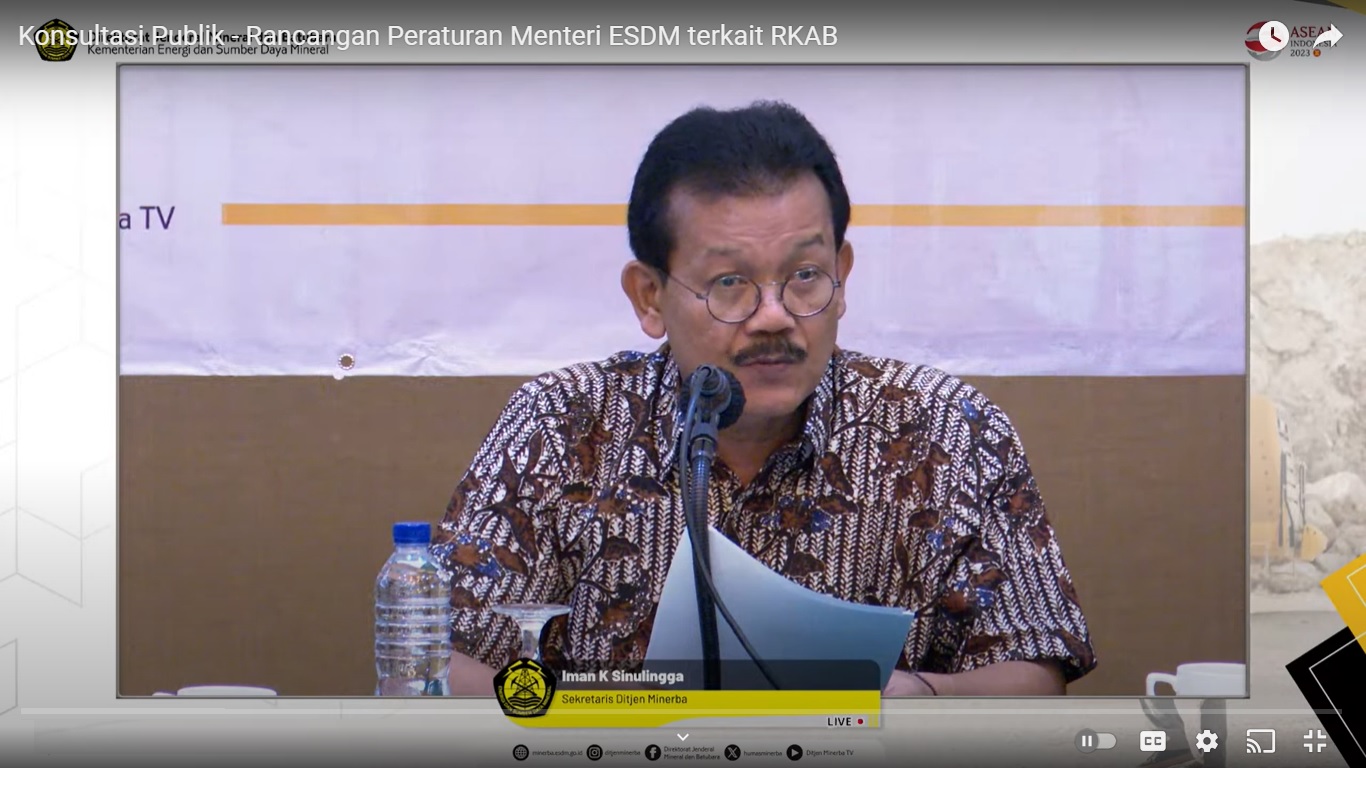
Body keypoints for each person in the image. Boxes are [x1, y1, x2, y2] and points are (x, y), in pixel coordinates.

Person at [433, 100, 1097, 696]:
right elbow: (436, 659)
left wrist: (918, 698)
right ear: (650, 297)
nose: (774, 316)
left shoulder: (948, 430)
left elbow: (1034, 670)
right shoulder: (562, 426)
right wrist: (591, 724)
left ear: (842, 275)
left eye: (805, 275)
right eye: (730, 283)